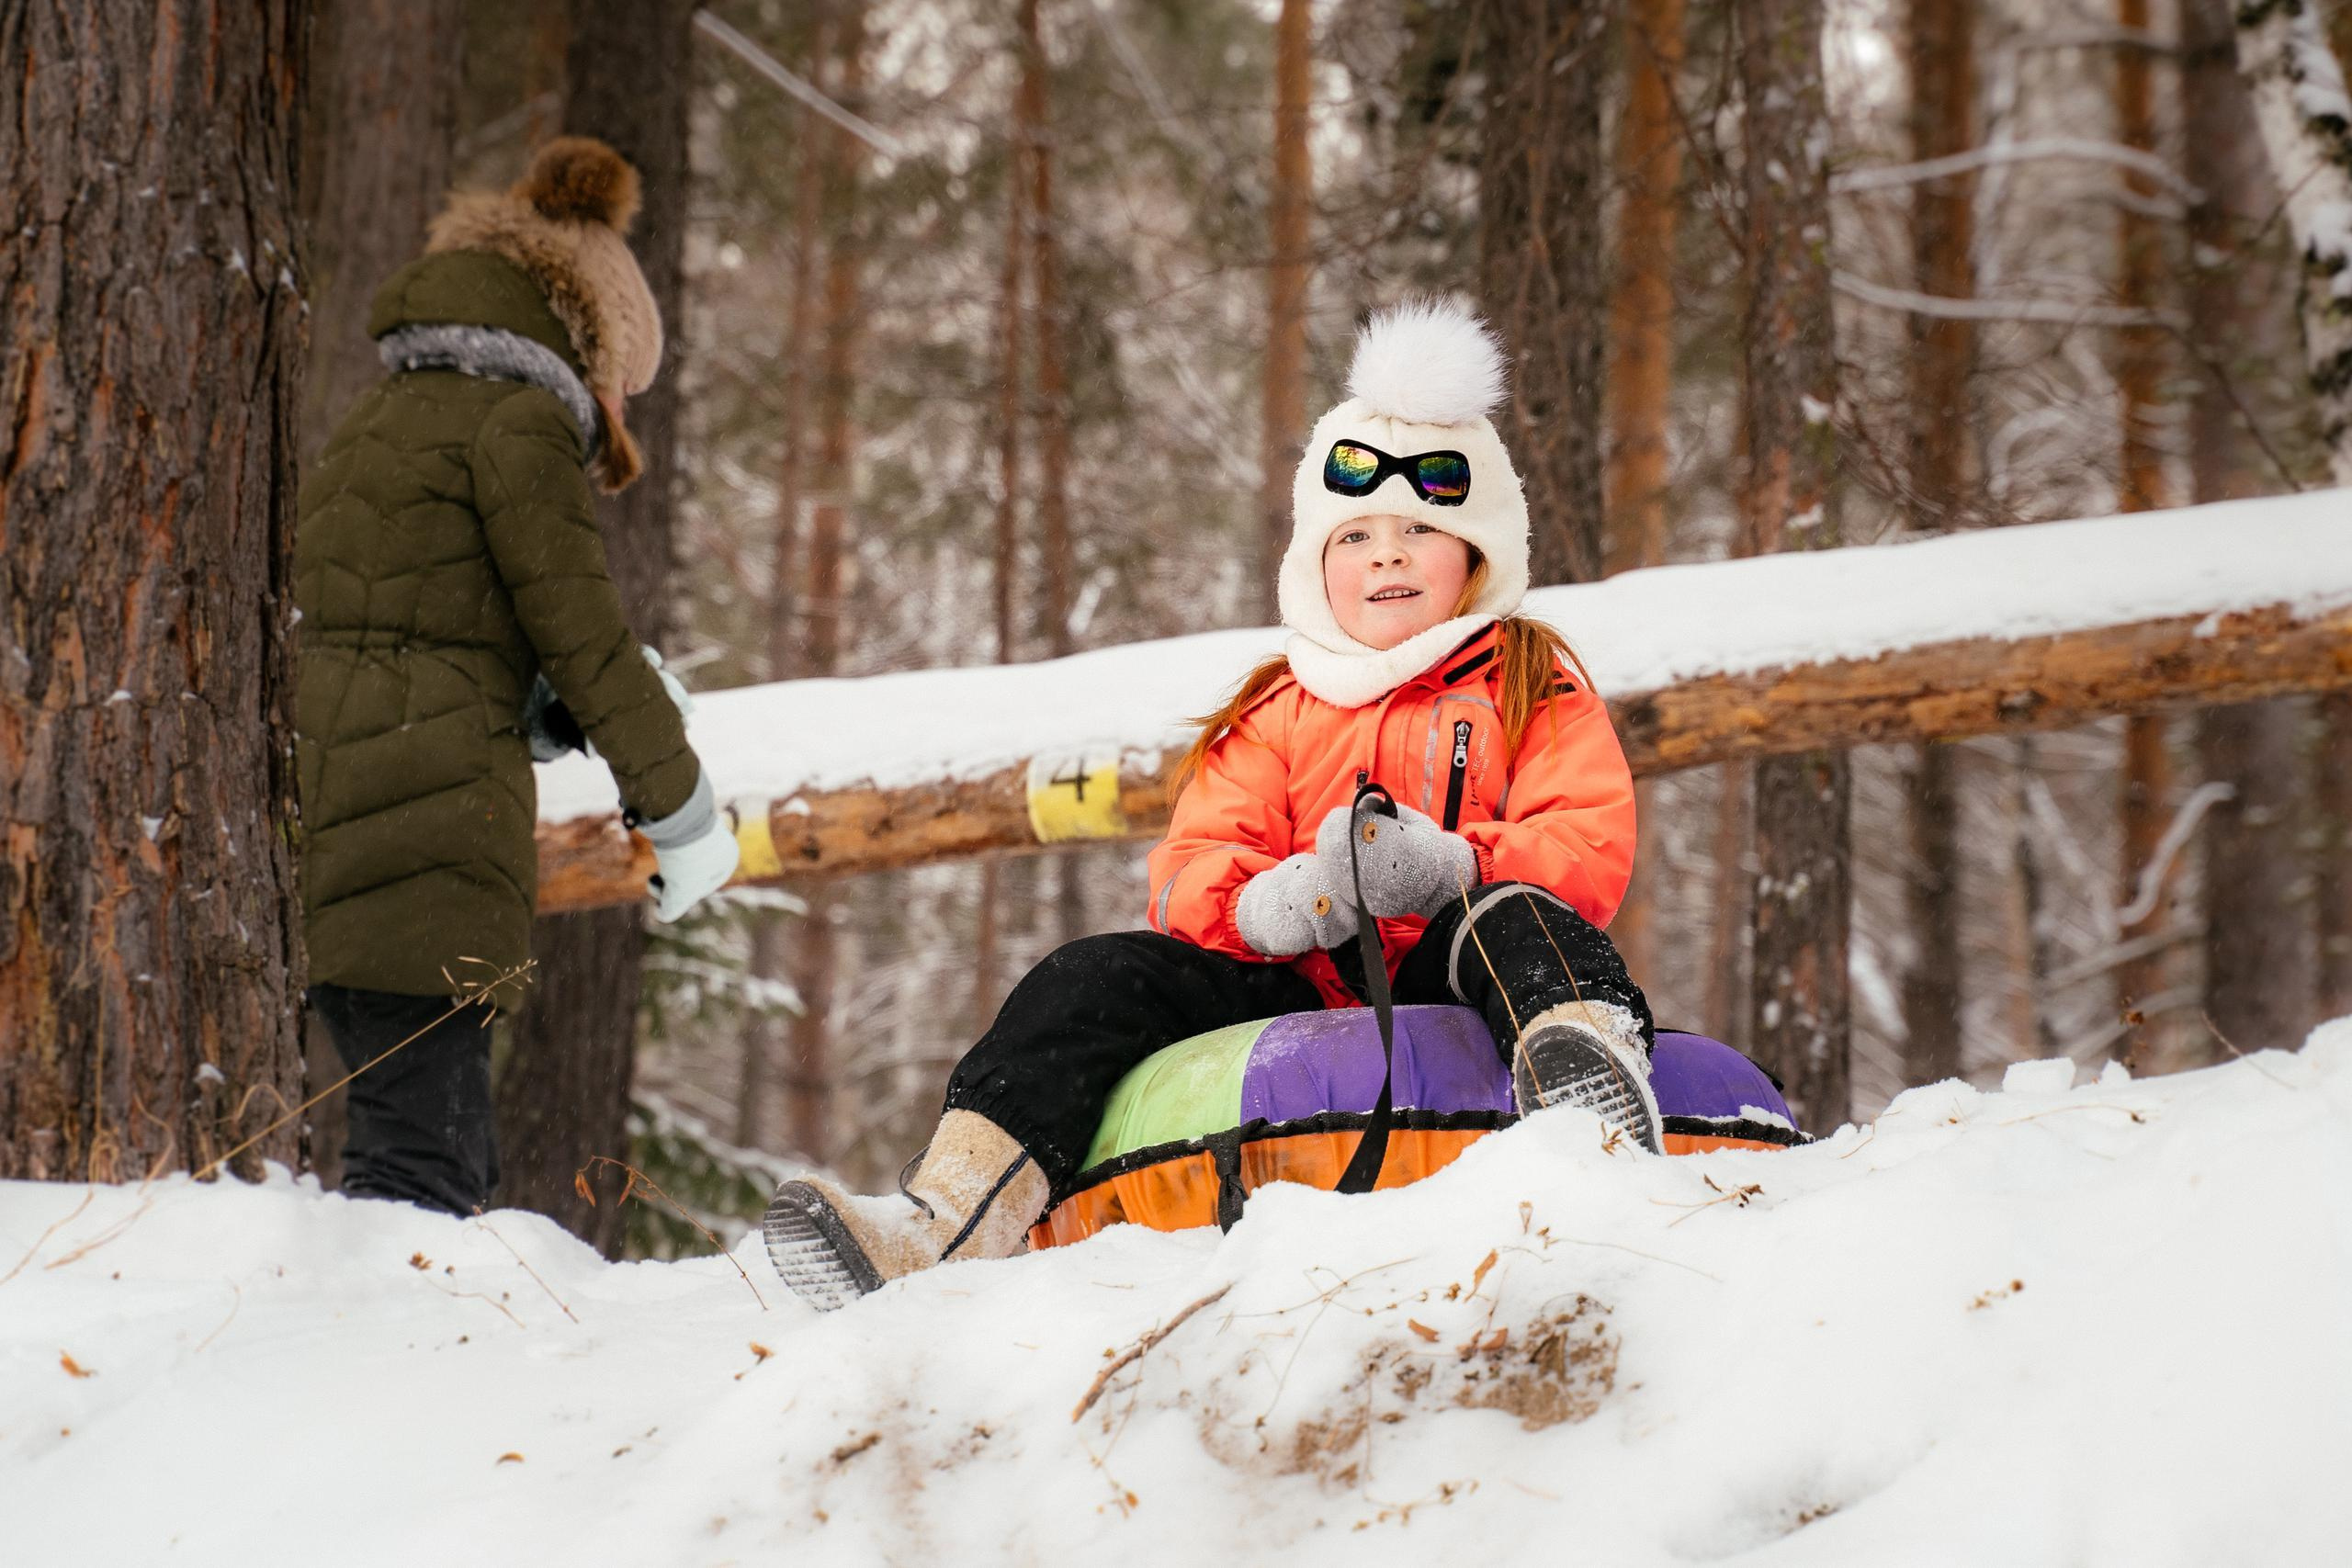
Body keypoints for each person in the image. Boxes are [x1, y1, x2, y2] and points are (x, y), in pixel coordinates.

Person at [764, 299, 1655, 1310]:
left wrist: (1451, 868)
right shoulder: (1275, 707)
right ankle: (942, 1220)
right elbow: (1193, 867)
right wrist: (1282, 903)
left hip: (1461, 971)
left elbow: (1585, 841)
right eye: (1356, 534)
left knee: (1519, 919)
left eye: (1421, 531)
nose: (1388, 556)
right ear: (1316, 561)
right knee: (1092, 974)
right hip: (1303, 982)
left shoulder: (1530, 679)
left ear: (1478, 552)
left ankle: (1591, 1106)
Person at [296, 138, 740, 1216]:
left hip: (330, 828)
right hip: (427, 848)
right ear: (582, 340)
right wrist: (685, 820)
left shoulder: (387, 417)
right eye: (619, 389)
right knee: (424, 1187)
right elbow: (585, 639)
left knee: (412, 1166)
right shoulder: (518, 423)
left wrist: (538, 710)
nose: (615, 418)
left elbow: (416, 625)